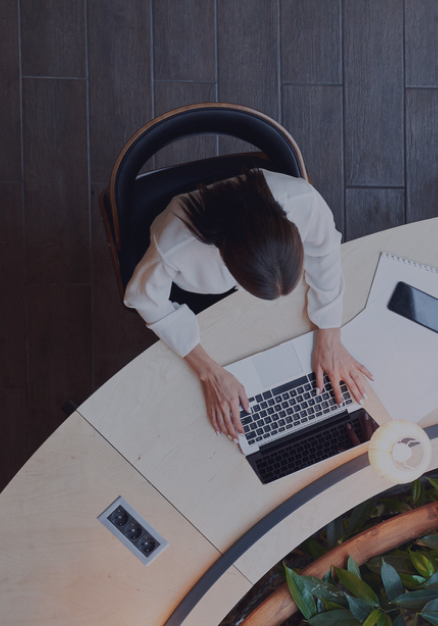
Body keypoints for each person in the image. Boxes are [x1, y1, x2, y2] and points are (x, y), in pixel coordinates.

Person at [125, 168, 371, 439]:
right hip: (199, 296)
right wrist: (210, 373)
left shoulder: (302, 199)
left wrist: (330, 333)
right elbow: (144, 299)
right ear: (224, 259)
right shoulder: (174, 245)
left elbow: (325, 253)